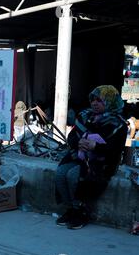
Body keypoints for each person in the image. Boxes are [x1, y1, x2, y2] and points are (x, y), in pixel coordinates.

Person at [55, 85, 128, 230]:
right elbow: (71, 138)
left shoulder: (118, 124)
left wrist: (95, 147)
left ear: (110, 102)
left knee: (73, 175)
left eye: (99, 100)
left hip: (101, 163)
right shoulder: (84, 116)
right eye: (93, 99)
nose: (94, 103)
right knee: (60, 173)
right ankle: (71, 208)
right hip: (79, 157)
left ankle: (81, 211)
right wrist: (79, 143)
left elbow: (114, 151)